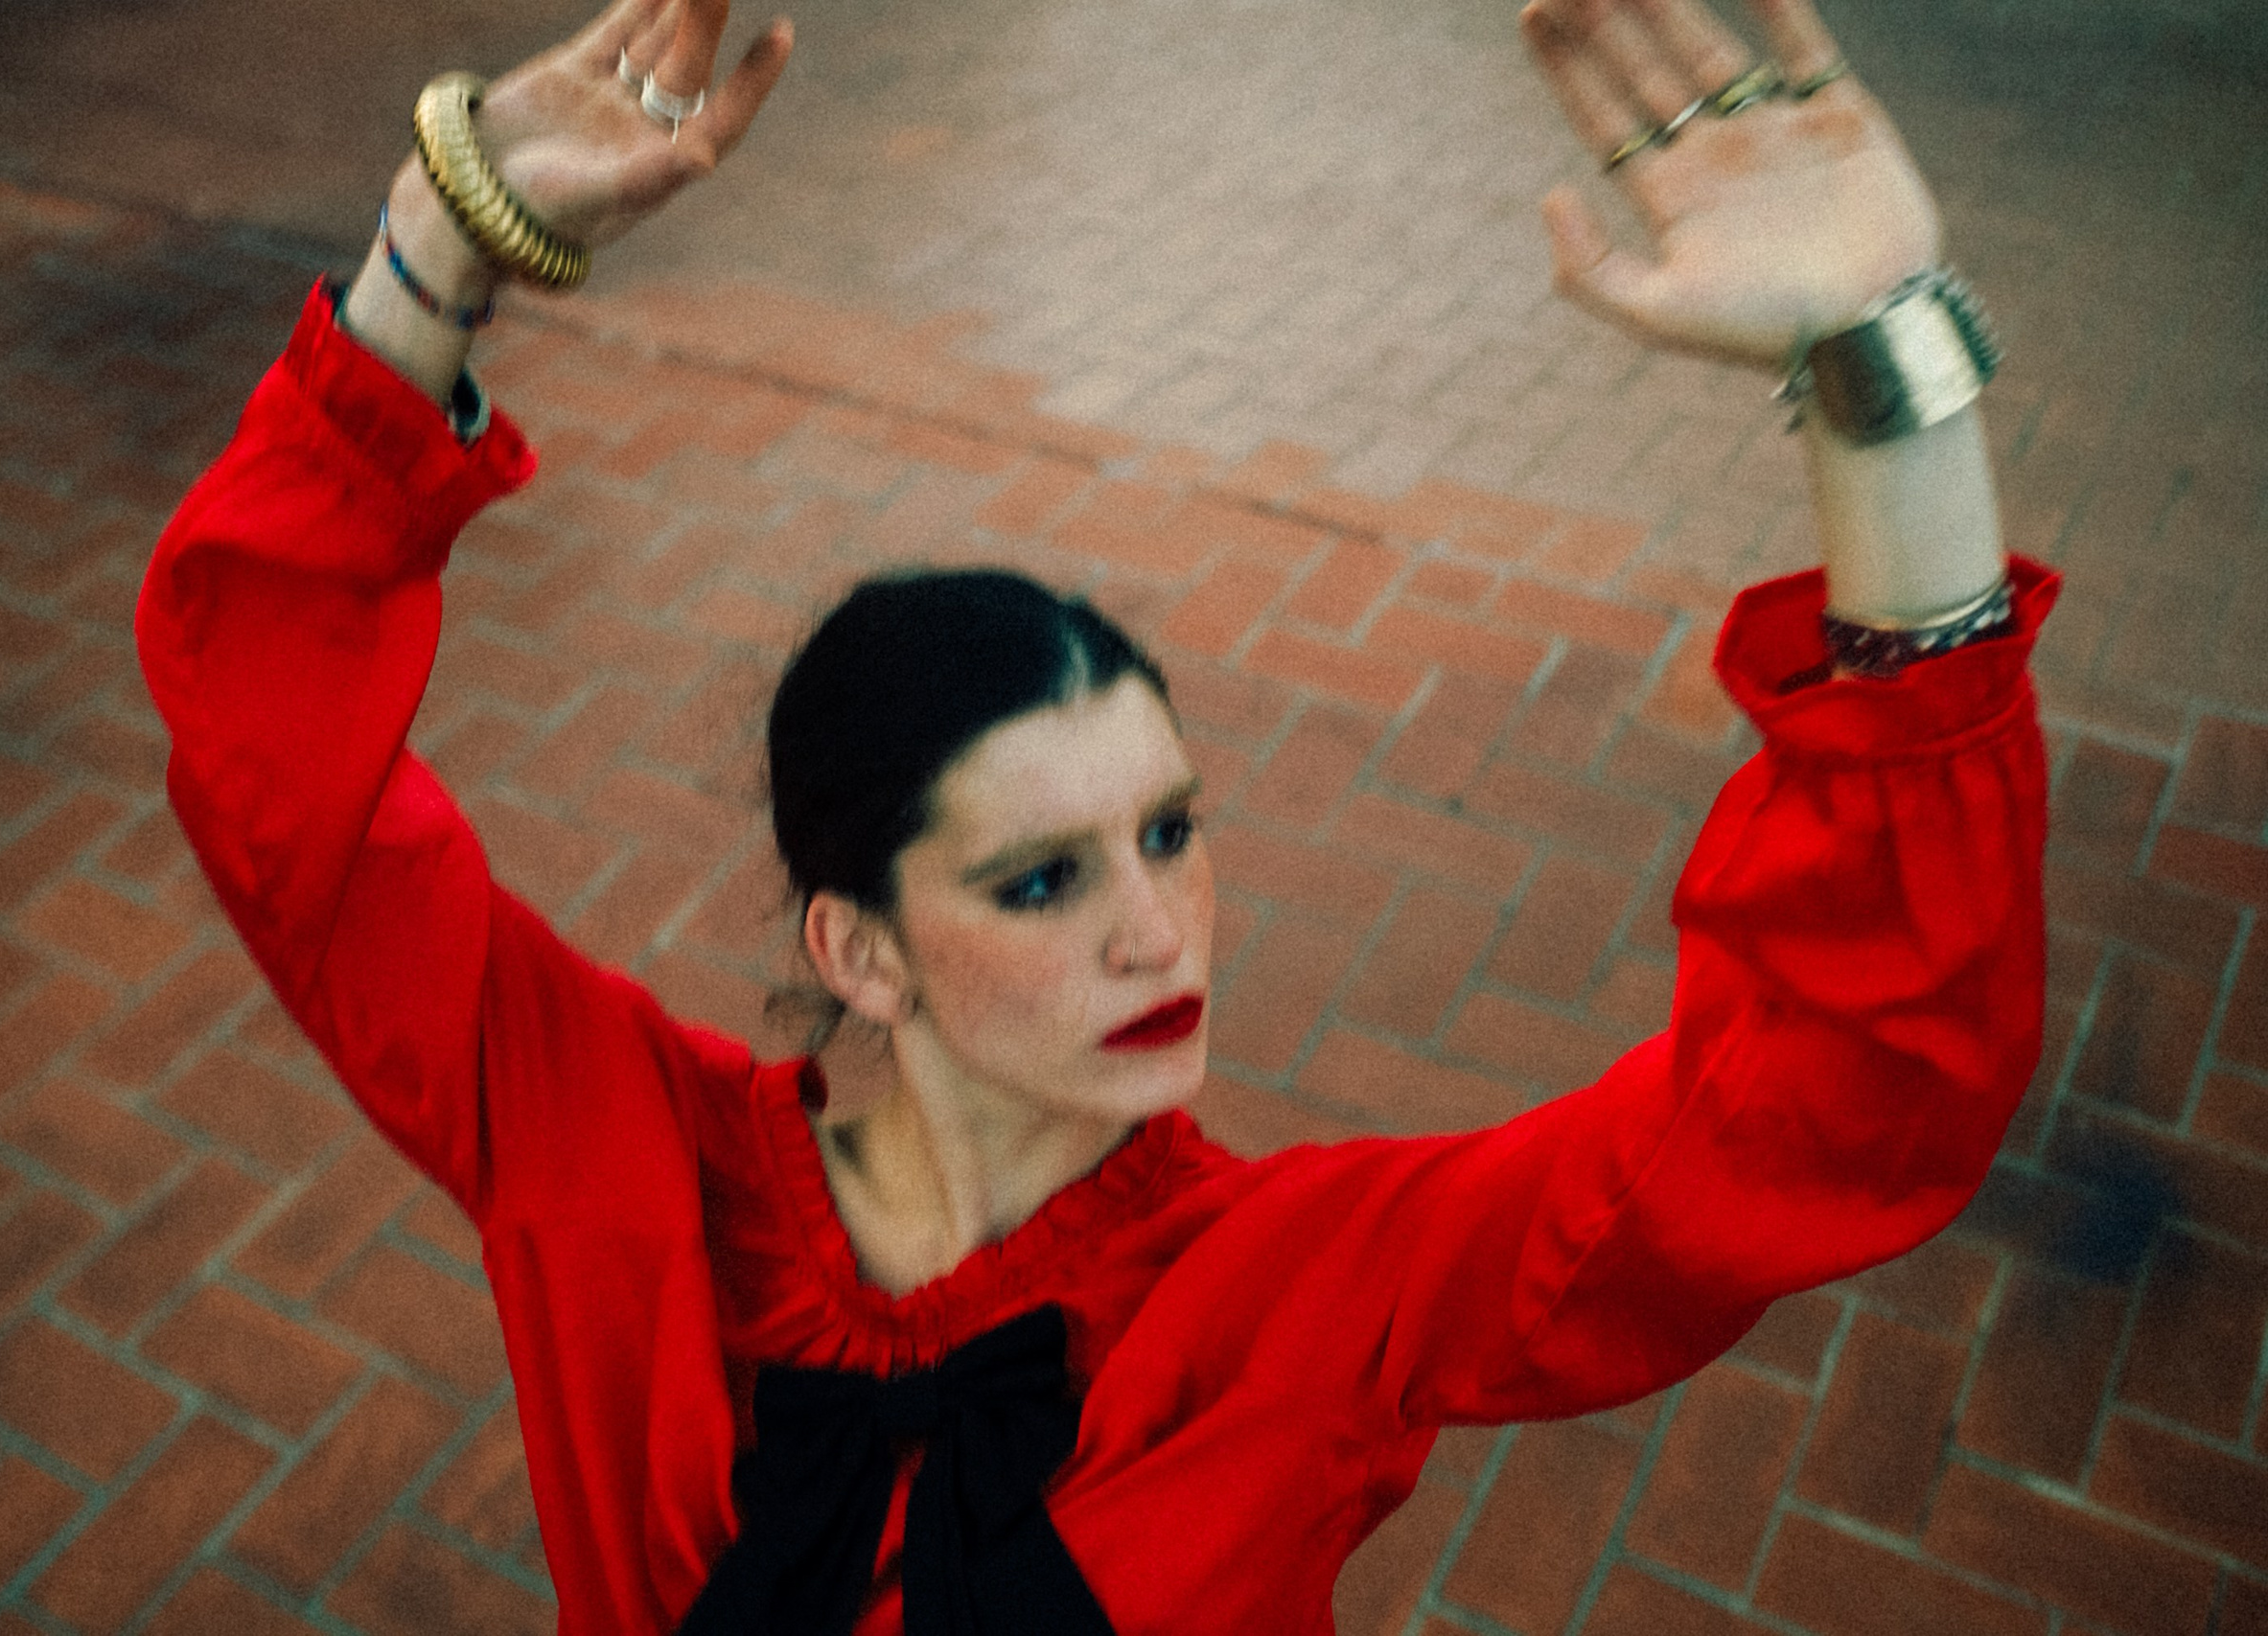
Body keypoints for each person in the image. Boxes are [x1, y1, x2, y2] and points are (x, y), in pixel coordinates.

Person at [134, 0, 2055, 1626]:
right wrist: (432, 251)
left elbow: (1846, 1094)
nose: (1160, 928)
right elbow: (276, 777)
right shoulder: (614, 1155)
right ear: (851, 945)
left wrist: (1887, 378)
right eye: (1041, 876)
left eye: (1170, 829)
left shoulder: (1301, 1292)